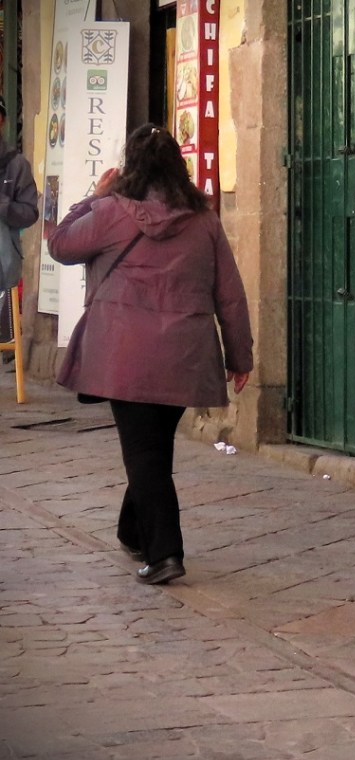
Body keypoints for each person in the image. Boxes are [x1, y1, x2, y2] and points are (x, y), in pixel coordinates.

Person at [48, 123, 253, 586]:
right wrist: (240, 356)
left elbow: (60, 245)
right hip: (186, 354)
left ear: (132, 166)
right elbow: (231, 294)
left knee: (144, 453)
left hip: (126, 355)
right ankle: (133, 531)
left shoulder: (112, 212)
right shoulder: (204, 219)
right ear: (178, 168)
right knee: (153, 449)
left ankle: (165, 553)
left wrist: (93, 197)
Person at [0, 95, 40, 291]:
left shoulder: (16, 164)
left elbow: (30, 213)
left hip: (3, 273)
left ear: (2, 121)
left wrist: (3, 206)